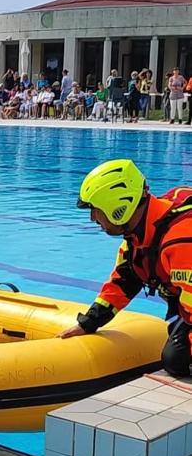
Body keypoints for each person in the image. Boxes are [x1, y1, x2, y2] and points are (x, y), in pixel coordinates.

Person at [60, 159, 192, 378]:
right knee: (176, 354)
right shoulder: (138, 241)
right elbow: (122, 283)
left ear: (118, 208)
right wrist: (89, 322)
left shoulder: (180, 242)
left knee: (176, 359)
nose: (93, 218)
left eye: (95, 210)